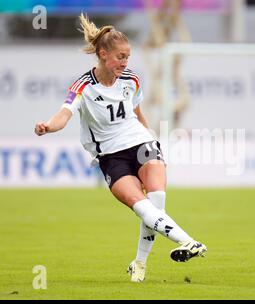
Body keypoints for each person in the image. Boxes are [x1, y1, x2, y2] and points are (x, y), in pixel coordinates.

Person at [34, 14, 207, 283]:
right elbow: (64, 115)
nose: (124, 63)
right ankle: (145, 260)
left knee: (157, 200)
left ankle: (182, 246)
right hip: (110, 156)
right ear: (103, 55)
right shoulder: (83, 87)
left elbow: (137, 113)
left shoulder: (131, 79)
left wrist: (151, 136)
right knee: (141, 207)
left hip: (141, 143)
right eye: (120, 57)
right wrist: (47, 126)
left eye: (127, 57)